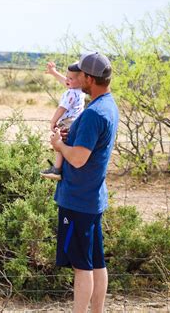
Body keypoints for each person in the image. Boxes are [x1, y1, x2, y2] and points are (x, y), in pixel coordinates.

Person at [49, 52, 119, 313]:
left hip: (78, 199)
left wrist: (59, 145)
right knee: (97, 262)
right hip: (93, 197)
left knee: (82, 267)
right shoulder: (108, 105)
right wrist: (72, 137)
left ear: (89, 78)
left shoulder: (93, 114)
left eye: (80, 74)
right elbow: (88, 145)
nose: (76, 78)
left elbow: (78, 159)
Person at [40, 61, 86, 180]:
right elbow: (66, 82)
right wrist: (54, 72)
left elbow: (62, 108)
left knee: (60, 143)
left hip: (67, 121)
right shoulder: (80, 90)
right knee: (64, 143)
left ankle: (56, 169)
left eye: (71, 78)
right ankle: (60, 166)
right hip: (76, 121)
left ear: (80, 80)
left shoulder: (71, 93)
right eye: (67, 77)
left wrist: (53, 121)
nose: (67, 80)